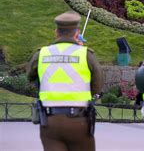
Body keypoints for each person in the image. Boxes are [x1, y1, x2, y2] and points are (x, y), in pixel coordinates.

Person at [27, 11, 103, 151]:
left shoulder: (42, 54)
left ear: (56, 32)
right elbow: (97, 85)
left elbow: (30, 77)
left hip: (49, 121)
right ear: (77, 32)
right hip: (79, 120)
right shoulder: (86, 55)